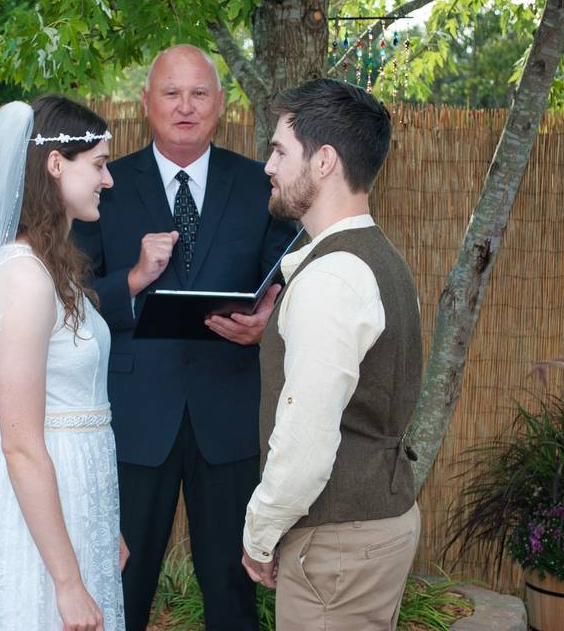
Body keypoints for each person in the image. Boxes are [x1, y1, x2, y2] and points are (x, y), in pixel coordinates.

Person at [73, 44, 295, 630]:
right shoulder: (104, 186)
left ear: (221, 105)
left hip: (228, 413)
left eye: (199, 93)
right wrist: (132, 279)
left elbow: (291, 279)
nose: (186, 106)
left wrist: (269, 324)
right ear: (145, 103)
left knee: (231, 586)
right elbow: (70, 302)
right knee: (123, 581)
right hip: (134, 417)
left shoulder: (259, 186)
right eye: (171, 93)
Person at [0, 95, 127, 630]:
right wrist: (67, 581)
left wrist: (105, 524)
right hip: (40, 493)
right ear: (56, 163)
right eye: (99, 165)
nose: (108, 180)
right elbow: (20, 441)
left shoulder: (53, 266)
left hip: (76, 492)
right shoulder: (24, 277)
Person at [241, 78, 422, 630]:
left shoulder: (333, 279)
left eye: (278, 151)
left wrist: (259, 534)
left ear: (323, 162)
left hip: (340, 542)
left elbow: (306, 440)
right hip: (371, 529)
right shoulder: (380, 260)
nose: (268, 166)